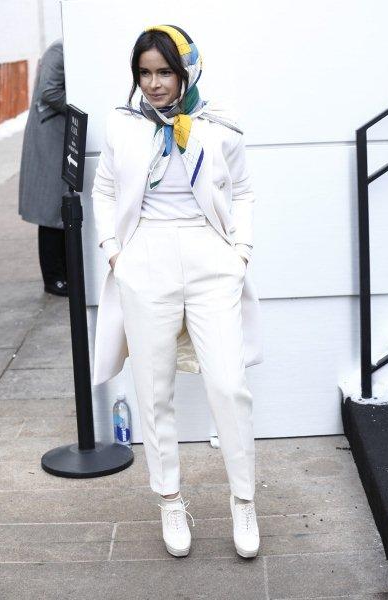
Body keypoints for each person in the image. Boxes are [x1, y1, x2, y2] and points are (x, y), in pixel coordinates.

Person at [92, 24, 264, 559]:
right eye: (144, 73)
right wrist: (115, 252)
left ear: (186, 70)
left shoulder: (218, 126)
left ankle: (243, 500)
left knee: (228, 383)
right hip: (146, 256)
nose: (154, 84)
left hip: (210, 254)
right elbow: (104, 190)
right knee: (154, 387)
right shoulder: (122, 126)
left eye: (165, 72)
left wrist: (240, 252)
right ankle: (169, 498)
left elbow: (243, 190)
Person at [18, 38, 68, 297]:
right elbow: (50, 91)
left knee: (60, 210)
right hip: (49, 136)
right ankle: (54, 278)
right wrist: (81, 106)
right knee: (50, 212)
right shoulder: (59, 50)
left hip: (57, 135)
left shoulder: (66, 48)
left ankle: (63, 273)